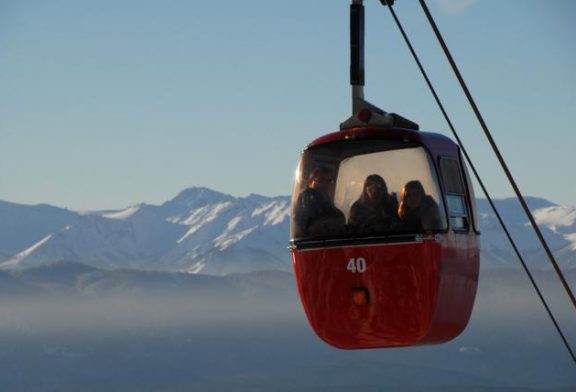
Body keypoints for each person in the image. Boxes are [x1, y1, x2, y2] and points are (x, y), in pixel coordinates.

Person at [293, 167, 345, 238]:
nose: (325, 183)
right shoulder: (307, 196)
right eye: (321, 179)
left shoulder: (325, 197)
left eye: (328, 180)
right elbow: (312, 219)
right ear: (312, 180)